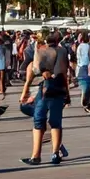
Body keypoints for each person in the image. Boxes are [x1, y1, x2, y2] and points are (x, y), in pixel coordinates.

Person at [20, 32, 71, 165]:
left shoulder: (40, 51)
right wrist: (67, 94)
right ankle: (55, 154)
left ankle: (36, 156)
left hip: (43, 90)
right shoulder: (62, 52)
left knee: (38, 122)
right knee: (56, 122)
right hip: (59, 89)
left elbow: (35, 70)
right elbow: (64, 73)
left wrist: (25, 91)